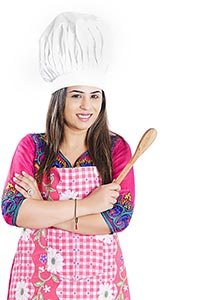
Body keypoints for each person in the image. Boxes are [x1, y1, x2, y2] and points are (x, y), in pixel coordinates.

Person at [1, 12, 135, 300]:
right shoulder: (32, 147)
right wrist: (88, 205)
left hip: (100, 282)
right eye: (76, 95)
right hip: (36, 277)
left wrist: (41, 208)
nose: (87, 105)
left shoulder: (116, 149)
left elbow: (117, 218)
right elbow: (14, 211)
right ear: (59, 98)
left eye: (95, 95)